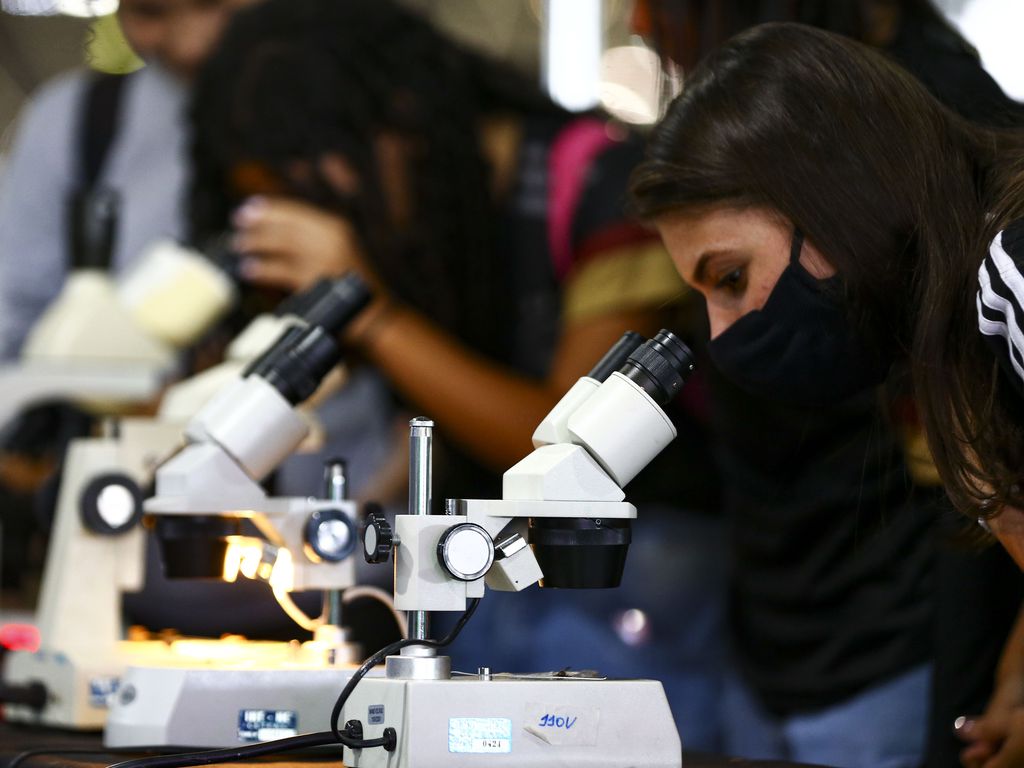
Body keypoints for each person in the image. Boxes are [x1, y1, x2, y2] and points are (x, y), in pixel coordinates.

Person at [187, 0, 727, 748]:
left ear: (401, 120)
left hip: (629, 587)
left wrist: (370, 311)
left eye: (312, 181)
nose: (305, 211)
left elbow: (559, 455)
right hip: (491, 587)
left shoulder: (604, 185)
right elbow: (435, 425)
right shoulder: (433, 229)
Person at [632, 3, 1024, 766]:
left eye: (733, 277)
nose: (723, 335)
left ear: (831, 194)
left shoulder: (1013, 273)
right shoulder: (961, 332)